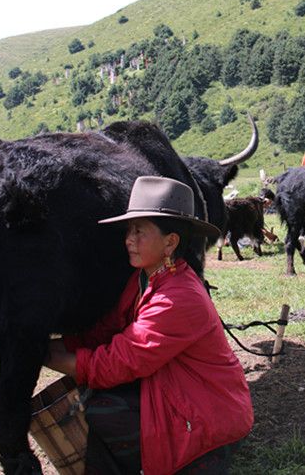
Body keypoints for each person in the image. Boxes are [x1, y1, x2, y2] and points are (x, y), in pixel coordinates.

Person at [45, 176, 253, 475]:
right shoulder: (146, 278)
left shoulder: (177, 297)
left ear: (170, 242)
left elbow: (117, 362)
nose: (129, 239)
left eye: (140, 231)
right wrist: (47, 345)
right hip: (180, 389)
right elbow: (107, 330)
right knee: (97, 400)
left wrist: (42, 356)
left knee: (100, 412)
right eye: (129, 230)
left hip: (208, 410)